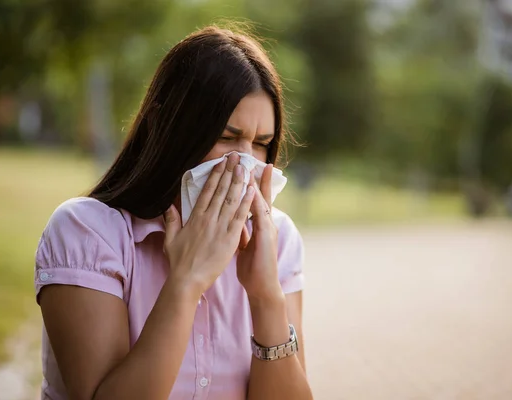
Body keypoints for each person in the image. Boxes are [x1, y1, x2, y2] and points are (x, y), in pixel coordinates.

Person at [35, 26, 313, 400]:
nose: (244, 163)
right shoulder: (87, 232)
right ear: (168, 129)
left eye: (261, 144)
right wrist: (186, 281)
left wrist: (265, 297)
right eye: (227, 138)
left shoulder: (277, 240)